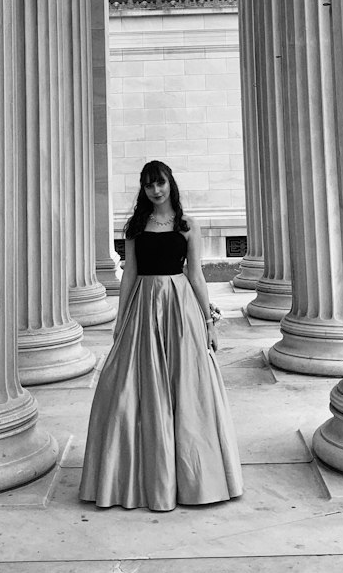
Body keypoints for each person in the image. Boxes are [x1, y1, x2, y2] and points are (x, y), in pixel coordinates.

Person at [79, 160, 244, 511]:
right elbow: (129, 275)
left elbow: (196, 275)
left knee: (187, 387)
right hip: (143, 307)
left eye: (161, 183)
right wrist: (120, 320)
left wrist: (209, 321)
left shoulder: (187, 226)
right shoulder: (136, 227)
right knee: (129, 386)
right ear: (143, 189)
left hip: (180, 308)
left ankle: (194, 477)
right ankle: (141, 473)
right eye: (149, 185)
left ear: (171, 184)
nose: (156, 191)